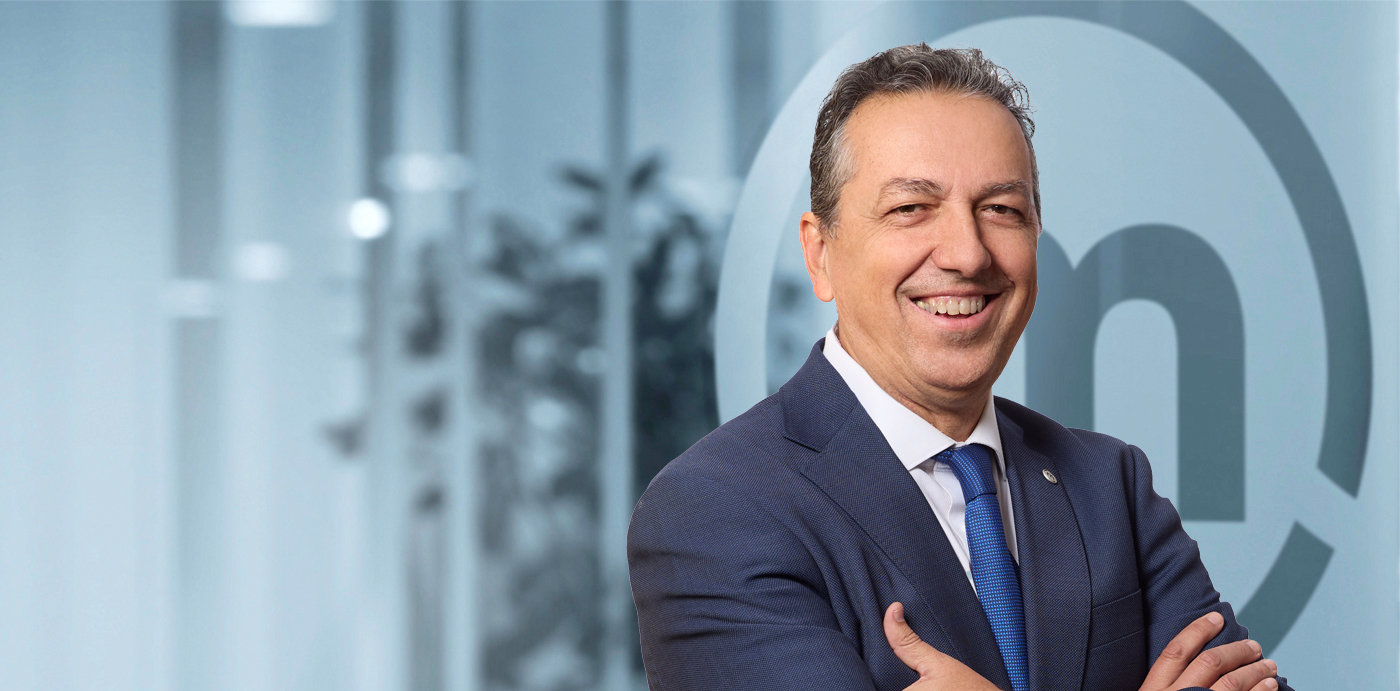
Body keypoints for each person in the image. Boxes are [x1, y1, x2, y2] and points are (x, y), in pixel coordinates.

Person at [628, 44, 1291, 691]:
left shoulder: (1109, 486)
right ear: (820, 252)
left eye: (1001, 209)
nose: (968, 253)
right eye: (910, 208)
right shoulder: (713, 509)